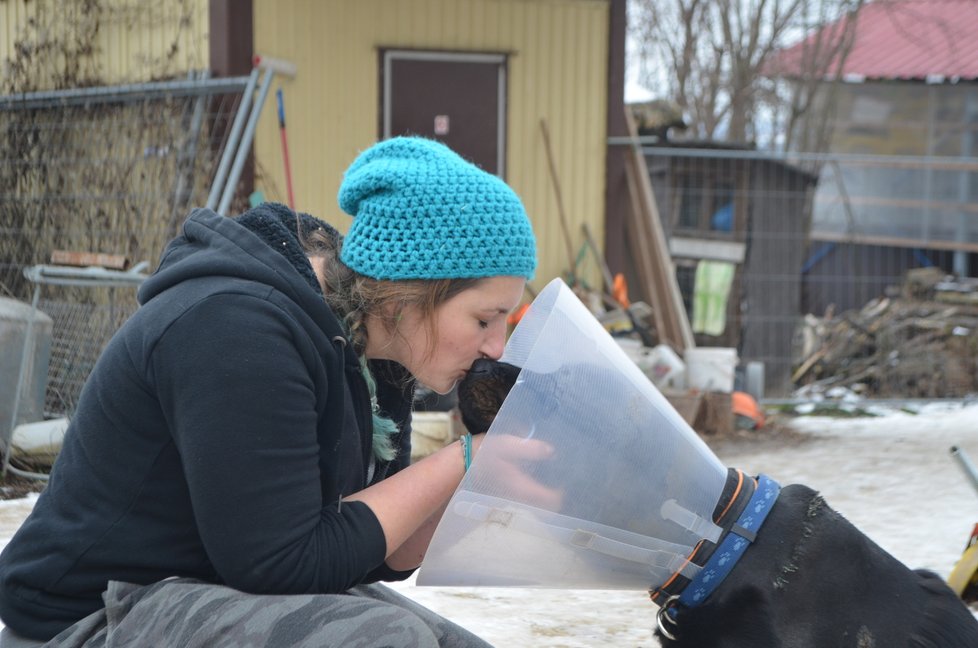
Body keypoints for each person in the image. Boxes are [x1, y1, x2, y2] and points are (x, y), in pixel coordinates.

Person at [0, 136, 546, 647]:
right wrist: (464, 458)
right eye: (485, 319)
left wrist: (486, 483)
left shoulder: (376, 345)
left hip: (205, 587)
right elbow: (281, 564)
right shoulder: (236, 328)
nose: (497, 347)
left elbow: (362, 553)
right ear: (410, 296)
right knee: (388, 641)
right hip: (85, 617)